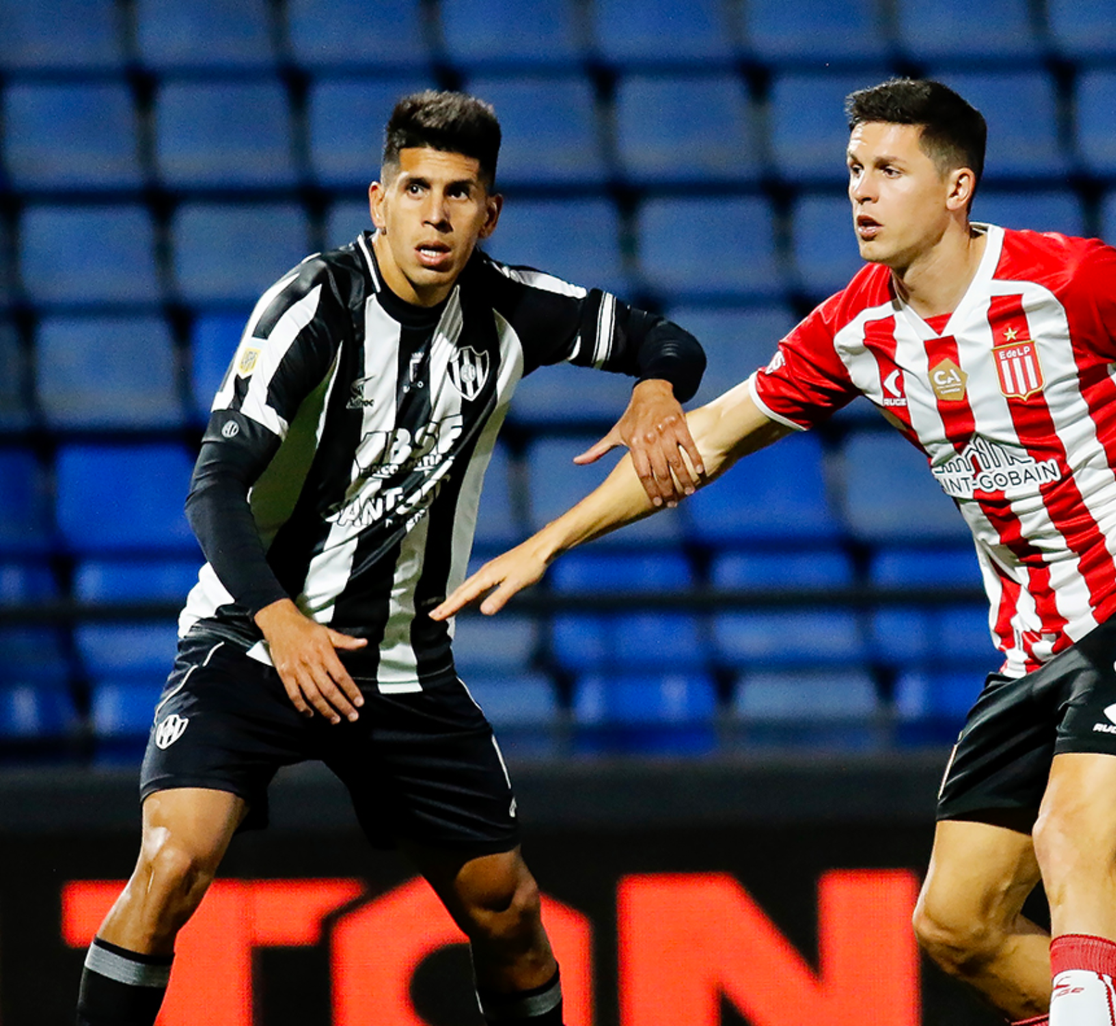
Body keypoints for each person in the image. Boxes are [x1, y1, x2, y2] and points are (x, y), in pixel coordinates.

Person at [432, 79, 1116, 1026]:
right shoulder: (857, 328)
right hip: (1033, 640)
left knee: (1069, 834)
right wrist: (549, 542)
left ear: (956, 188)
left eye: (889, 171)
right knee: (956, 926)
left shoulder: (1070, 279)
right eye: (854, 169)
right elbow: (710, 438)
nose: (861, 192)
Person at [75, 90, 707, 1026]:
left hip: (403, 670)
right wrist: (280, 622)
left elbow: (668, 339)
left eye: (460, 193)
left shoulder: (514, 309)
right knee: (172, 862)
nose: (437, 214)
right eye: (416, 189)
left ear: (488, 213)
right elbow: (212, 488)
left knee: (512, 914)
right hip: (253, 643)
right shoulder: (313, 306)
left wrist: (657, 388)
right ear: (380, 201)